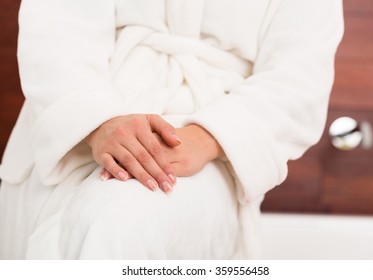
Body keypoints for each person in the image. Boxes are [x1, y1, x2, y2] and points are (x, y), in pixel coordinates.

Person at [0, 0, 344, 259]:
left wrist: (207, 136)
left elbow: (299, 77)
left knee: (118, 224)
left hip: (208, 139)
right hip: (77, 129)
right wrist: (98, 120)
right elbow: (58, 28)